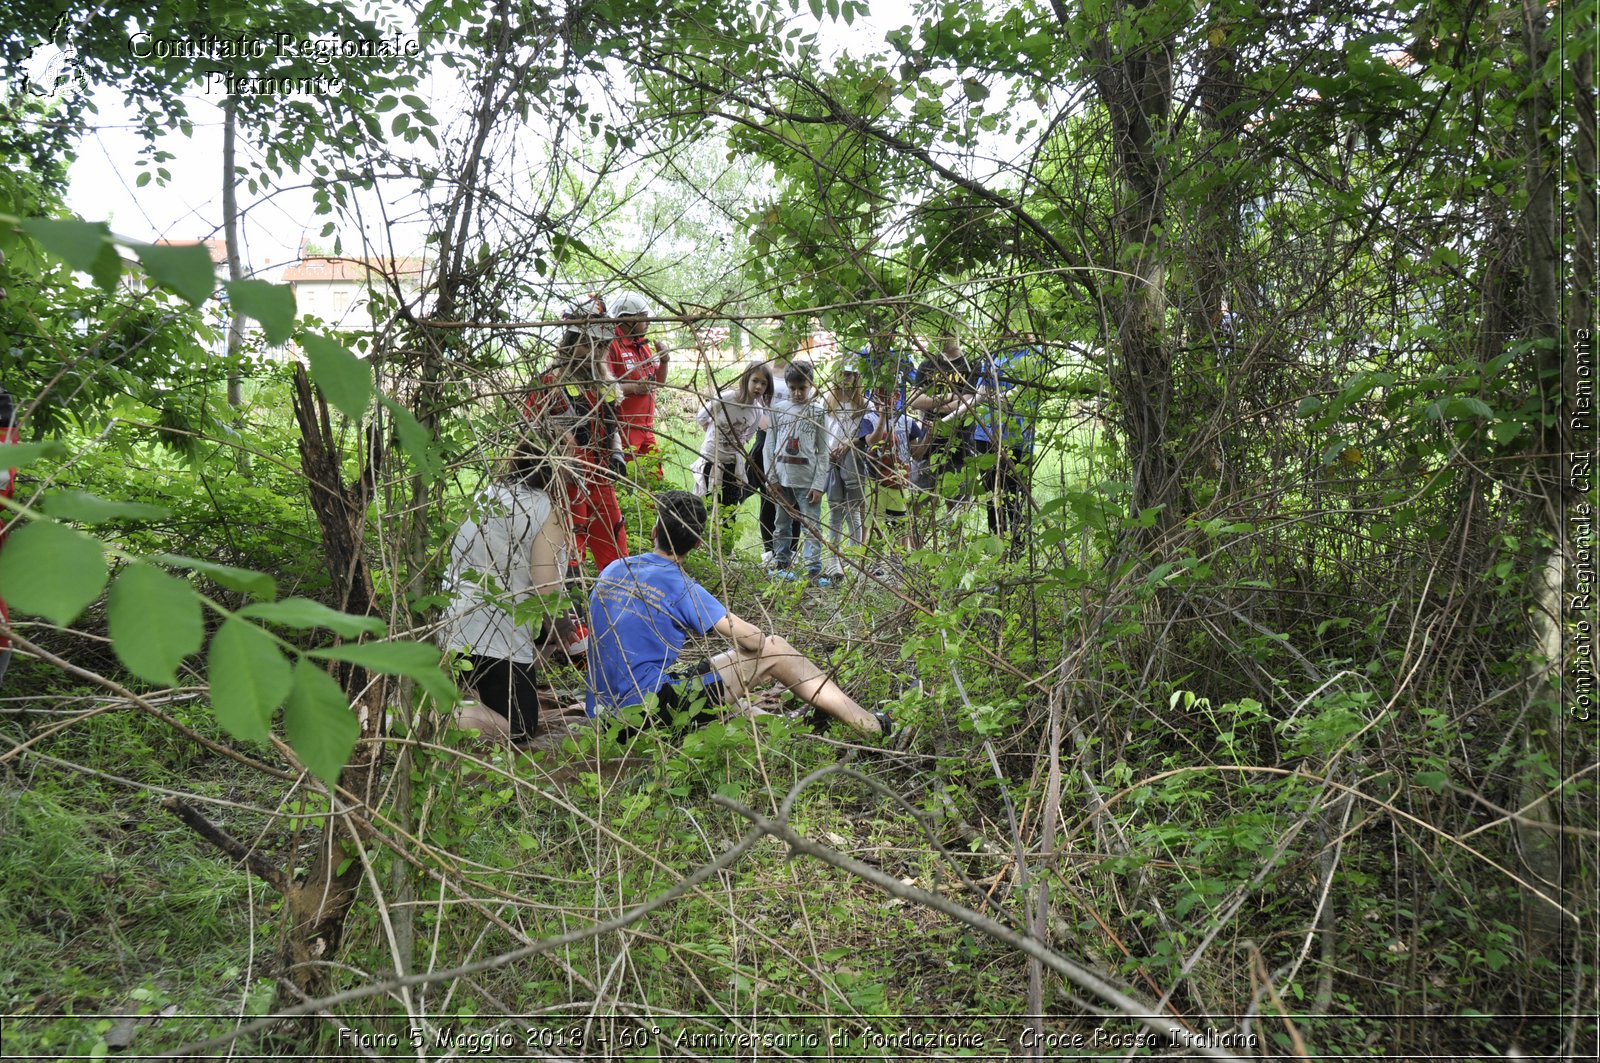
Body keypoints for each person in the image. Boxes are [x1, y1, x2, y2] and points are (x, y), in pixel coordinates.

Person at [585, 491, 890, 736]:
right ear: (697, 543)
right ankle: (871, 726)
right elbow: (757, 642)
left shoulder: (614, 568)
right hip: (644, 714)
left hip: (601, 717)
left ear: (654, 532)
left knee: (715, 690)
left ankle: (787, 727)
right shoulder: (680, 586)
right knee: (776, 648)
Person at [440, 439, 577, 743]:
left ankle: (461, 699)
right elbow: (545, 584)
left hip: (455, 623)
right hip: (495, 634)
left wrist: (547, 635)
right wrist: (561, 621)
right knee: (520, 726)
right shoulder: (544, 509)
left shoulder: (486, 495)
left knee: (502, 689)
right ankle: (440, 717)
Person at [524, 296, 629, 575]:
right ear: (570, 342)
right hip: (566, 483)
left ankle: (619, 613)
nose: (594, 353)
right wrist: (558, 444)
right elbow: (530, 428)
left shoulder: (605, 382)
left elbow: (613, 424)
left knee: (617, 556)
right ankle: (572, 616)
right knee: (569, 554)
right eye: (587, 344)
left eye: (602, 346)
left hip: (601, 480)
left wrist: (617, 453)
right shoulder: (550, 380)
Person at [763, 361, 831, 582]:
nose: (798, 393)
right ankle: (781, 562)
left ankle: (813, 569)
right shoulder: (779, 410)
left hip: (808, 480)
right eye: (793, 388)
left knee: (811, 526)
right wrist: (771, 478)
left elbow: (823, 451)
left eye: (802, 388)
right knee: (781, 523)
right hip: (782, 479)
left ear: (811, 384)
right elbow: (769, 445)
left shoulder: (818, 412)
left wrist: (818, 484)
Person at [692, 362, 773, 539]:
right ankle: (702, 544)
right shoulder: (727, 398)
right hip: (711, 458)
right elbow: (702, 416)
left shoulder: (757, 411)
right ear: (745, 379)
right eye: (755, 381)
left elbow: (747, 435)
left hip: (733, 464)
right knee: (706, 503)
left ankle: (725, 548)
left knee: (729, 509)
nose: (758, 387)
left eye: (763, 384)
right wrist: (713, 432)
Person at [606, 290, 669, 468]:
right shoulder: (612, 345)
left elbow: (660, 382)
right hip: (623, 429)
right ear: (627, 318)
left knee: (655, 478)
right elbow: (605, 387)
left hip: (646, 428)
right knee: (627, 481)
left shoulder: (642, 345)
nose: (648, 322)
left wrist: (664, 360)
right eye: (643, 317)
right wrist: (635, 387)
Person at [822, 357, 869, 578]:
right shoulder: (828, 401)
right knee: (835, 509)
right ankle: (834, 560)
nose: (845, 379)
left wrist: (847, 445)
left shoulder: (863, 403)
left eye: (849, 374)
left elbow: (863, 434)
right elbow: (822, 429)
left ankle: (856, 560)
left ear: (856, 376)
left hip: (853, 459)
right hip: (831, 459)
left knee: (854, 512)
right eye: (841, 373)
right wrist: (828, 450)